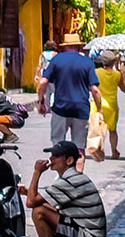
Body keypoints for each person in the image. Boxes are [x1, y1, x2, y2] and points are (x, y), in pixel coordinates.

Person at [23, 140, 107, 237]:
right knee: (43, 210)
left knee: (39, 213)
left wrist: (37, 172)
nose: (51, 159)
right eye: (52, 155)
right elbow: (50, 206)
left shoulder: (70, 181)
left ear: (69, 160)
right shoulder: (73, 178)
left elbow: (31, 203)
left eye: (56, 156)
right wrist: (28, 192)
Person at [36, 36, 102, 169]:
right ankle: (77, 181)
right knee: (79, 148)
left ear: (64, 46)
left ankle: (61, 179)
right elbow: (95, 90)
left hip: (60, 109)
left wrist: (41, 101)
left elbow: (43, 82)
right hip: (81, 109)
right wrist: (99, 110)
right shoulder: (87, 62)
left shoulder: (56, 60)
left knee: (58, 144)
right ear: (79, 46)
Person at [94, 50, 124, 160]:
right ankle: (114, 151)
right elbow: (124, 88)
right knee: (112, 130)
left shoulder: (96, 72)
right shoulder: (117, 74)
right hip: (112, 105)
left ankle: (99, 149)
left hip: (98, 104)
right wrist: (122, 73)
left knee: (99, 129)